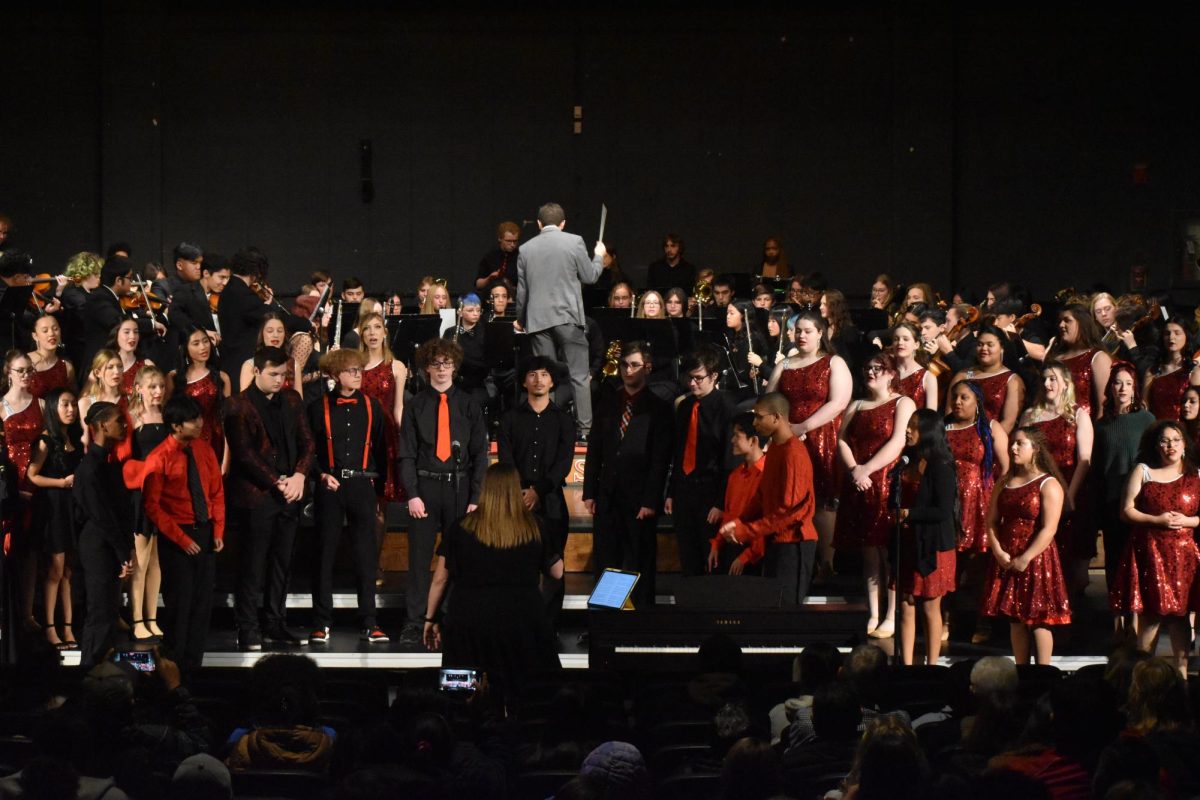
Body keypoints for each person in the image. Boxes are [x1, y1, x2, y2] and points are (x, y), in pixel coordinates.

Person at [422, 463, 563, 699]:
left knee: (462, 693)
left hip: (468, 624)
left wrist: (430, 619)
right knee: (528, 692)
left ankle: (466, 726)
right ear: (515, 489)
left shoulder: (461, 527)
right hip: (523, 622)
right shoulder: (535, 526)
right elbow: (557, 572)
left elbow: (440, 579)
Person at [223, 346, 315, 652]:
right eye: (273, 374)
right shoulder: (238, 404)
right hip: (257, 495)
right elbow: (244, 455)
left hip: (290, 493)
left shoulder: (292, 399)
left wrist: (300, 476)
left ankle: (275, 624)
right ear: (257, 372)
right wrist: (277, 482)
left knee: (282, 564)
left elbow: (307, 441)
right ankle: (247, 628)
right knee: (252, 564)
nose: (280, 380)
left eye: (284, 375)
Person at [398, 338, 489, 645]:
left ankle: (451, 618)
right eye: (435, 364)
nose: (441, 369)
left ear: (455, 366)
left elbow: (480, 456)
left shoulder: (468, 404)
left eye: (446, 363)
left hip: (459, 487)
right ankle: (415, 621)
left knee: (458, 559)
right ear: (426, 368)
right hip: (425, 486)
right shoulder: (415, 405)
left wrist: (475, 499)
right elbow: (407, 455)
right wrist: (412, 493)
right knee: (419, 557)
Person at [307, 348, 390, 644]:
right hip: (330, 486)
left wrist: (379, 494)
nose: (357, 374)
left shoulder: (373, 407)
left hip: (361, 485)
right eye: (351, 370)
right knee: (324, 554)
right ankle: (321, 621)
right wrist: (320, 475)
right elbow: (309, 450)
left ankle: (369, 621)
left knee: (365, 556)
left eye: (359, 369)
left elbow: (380, 451)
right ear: (335, 373)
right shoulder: (318, 407)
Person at [583, 341, 672, 609]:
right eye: (624, 365)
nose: (627, 370)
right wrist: (589, 491)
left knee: (639, 559)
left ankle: (641, 621)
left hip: (639, 499)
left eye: (634, 365)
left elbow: (660, 460)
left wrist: (650, 500)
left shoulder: (659, 408)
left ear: (647, 367)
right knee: (607, 559)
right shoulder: (608, 402)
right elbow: (595, 449)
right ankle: (608, 618)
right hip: (608, 495)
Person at [834, 352, 917, 637]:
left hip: (885, 480)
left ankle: (891, 615)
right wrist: (855, 469)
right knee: (869, 551)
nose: (871, 372)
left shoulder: (903, 403)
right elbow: (842, 440)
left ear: (892, 374)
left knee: (888, 551)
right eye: (868, 367)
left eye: (878, 368)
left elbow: (898, 441)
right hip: (860, 480)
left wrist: (866, 469)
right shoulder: (857, 404)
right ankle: (874, 613)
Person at [141, 396, 225, 675]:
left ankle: (195, 668)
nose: (201, 423)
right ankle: (175, 672)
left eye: (200, 417)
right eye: (194, 420)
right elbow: (153, 507)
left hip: (205, 531)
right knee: (181, 605)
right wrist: (181, 539)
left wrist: (218, 530)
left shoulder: (205, 449)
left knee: (202, 606)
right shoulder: (159, 457)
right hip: (178, 537)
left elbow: (216, 492)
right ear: (176, 426)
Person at [1109, 421, 1200, 676]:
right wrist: (1156, 520)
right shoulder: (1143, 471)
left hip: (1183, 555)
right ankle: (1143, 677)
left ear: (1184, 445)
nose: (1170, 445)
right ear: (1156, 444)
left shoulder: (1196, 474)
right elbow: (1126, 511)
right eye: (1164, 440)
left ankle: (1182, 678)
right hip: (1150, 552)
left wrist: (1189, 521)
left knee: (1181, 616)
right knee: (1151, 615)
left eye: (1175, 440)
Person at [768, 310, 852, 575]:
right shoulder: (785, 365)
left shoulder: (833, 362)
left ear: (820, 334)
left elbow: (838, 402)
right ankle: (797, 563)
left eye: (807, 331)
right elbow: (769, 401)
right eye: (798, 331)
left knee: (824, 498)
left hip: (821, 436)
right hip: (788, 439)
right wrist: (784, 430)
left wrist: (802, 427)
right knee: (791, 498)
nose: (801, 336)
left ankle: (826, 565)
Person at [497, 356, 576, 630]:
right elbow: (506, 460)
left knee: (555, 566)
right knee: (517, 565)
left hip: (551, 500)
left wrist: (538, 492)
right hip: (515, 501)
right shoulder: (509, 418)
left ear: (552, 381)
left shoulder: (564, 420)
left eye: (544, 374)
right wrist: (521, 492)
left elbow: (563, 464)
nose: (538, 379)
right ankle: (519, 623)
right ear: (524, 381)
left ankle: (548, 626)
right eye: (532, 374)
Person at [515, 202, 606, 438]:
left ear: (539, 224)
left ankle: (546, 428)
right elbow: (590, 276)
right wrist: (598, 256)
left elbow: (522, 291)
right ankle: (585, 430)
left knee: (543, 376)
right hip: (567, 317)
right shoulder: (574, 241)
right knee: (579, 376)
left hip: (538, 320)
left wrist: (521, 319)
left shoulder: (525, 249)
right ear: (563, 224)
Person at [717, 392, 819, 603]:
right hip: (776, 541)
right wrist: (740, 520)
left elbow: (788, 512)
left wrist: (746, 531)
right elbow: (763, 495)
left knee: (787, 608)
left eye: (759, 417)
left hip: (794, 543)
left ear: (776, 418)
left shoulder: (793, 453)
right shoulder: (774, 449)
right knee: (773, 606)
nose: (755, 422)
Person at [981, 426, 1070, 665]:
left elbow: (1049, 529)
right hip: (1008, 556)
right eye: (1012, 443)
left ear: (1035, 449)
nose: (1013, 448)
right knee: (1015, 619)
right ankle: (1021, 671)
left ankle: (1042, 674)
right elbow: (991, 521)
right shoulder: (1005, 481)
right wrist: (998, 550)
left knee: (1038, 620)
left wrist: (1026, 557)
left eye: (1020, 443)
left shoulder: (1048, 484)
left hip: (1036, 558)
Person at [1020, 360, 1094, 596]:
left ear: (1065, 384)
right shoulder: (1031, 416)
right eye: (1044, 379)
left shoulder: (1078, 414)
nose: (1047, 383)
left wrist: (1069, 496)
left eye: (1052, 378)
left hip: (1072, 488)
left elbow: (1085, 459)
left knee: (1070, 561)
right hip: (1037, 489)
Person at [944, 380, 1008, 644]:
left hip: (980, 503)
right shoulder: (942, 427)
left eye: (964, 397)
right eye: (955, 397)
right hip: (949, 504)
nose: (957, 402)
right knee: (948, 565)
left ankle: (983, 622)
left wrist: (998, 503)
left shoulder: (989, 428)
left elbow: (1005, 468)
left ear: (977, 402)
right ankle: (947, 620)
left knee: (979, 566)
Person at [894, 409, 958, 665]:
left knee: (931, 606)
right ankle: (907, 666)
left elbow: (943, 511)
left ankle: (932, 665)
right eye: (908, 425)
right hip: (910, 540)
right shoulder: (908, 460)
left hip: (934, 544)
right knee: (907, 602)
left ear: (928, 431)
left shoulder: (941, 466)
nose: (908, 430)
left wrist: (910, 514)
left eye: (914, 426)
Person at [667, 344, 738, 577]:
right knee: (688, 556)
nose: (692, 383)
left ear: (714, 376)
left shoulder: (727, 407)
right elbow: (679, 452)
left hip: (711, 492)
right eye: (689, 378)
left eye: (698, 378)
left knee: (711, 558)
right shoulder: (685, 406)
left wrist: (720, 502)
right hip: (685, 490)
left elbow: (729, 459)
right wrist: (671, 492)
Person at [74, 401, 135, 668]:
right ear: (101, 425)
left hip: (109, 543)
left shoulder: (108, 464)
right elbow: (100, 515)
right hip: (97, 544)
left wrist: (126, 548)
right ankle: (89, 676)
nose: (124, 425)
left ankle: (105, 675)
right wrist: (122, 550)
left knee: (110, 612)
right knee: (100, 613)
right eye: (118, 420)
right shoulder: (89, 468)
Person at [1094, 362, 1156, 621]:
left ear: (1135, 389)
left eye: (1128, 383)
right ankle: (1117, 616)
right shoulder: (1102, 424)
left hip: (1138, 500)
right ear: (1110, 386)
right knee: (1114, 557)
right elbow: (1097, 465)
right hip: (1110, 498)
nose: (1123, 388)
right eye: (1118, 382)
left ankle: (1138, 615)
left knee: (1137, 557)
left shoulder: (1146, 420)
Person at [26, 386, 83, 650]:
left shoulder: (73, 438)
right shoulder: (46, 439)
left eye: (73, 405)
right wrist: (61, 483)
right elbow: (32, 475)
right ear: (52, 407)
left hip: (71, 509)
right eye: (65, 405)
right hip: (53, 508)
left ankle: (68, 627)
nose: (71, 410)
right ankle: (50, 628)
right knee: (55, 570)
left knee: (68, 572)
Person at [357, 310, 408, 584]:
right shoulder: (354, 364)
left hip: (385, 439)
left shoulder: (396, 367)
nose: (373, 333)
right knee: (361, 508)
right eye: (368, 328)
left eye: (378, 327)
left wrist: (406, 444)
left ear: (385, 332)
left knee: (379, 510)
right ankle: (362, 564)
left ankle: (373, 566)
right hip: (358, 440)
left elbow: (398, 408)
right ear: (362, 334)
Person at [126, 365, 170, 642]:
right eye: (152, 387)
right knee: (140, 559)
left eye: (161, 387)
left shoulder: (166, 416)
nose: (157, 392)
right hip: (140, 492)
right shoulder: (132, 417)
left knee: (155, 561)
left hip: (162, 491)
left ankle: (152, 616)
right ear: (139, 388)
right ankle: (136, 619)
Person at [2, 350, 44, 632]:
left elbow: (45, 445)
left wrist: (33, 479)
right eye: (20, 370)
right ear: (9, 373)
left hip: (34, 480)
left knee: (30, 550)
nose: (26, 375)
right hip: (7, 484)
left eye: (29, 370)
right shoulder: (0, 406)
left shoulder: (40, 403)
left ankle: (27, 614)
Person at [81, 255, 162, 377]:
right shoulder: (98, 298)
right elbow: (119, 322)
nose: (132, 282)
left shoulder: (112, 297)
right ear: (118, 280)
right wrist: (151, 324)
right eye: (130, 278)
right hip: (99, 368)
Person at [707, 412, 767, 575]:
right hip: (732, 548)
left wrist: (747, 556)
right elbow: (729, 515)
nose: (732, 440)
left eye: (737, 435)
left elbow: (766, 522)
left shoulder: (767, 475)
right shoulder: (734, 475)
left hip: (755, 555)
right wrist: (717, 544)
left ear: (753, 440)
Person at [167, 328, 231, 470]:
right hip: (186, 444)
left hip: (216, 443)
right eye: (196, 343)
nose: (203, 347)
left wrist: (227, 457)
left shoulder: (222, 377)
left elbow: (227, 421)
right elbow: (169, 419)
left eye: (205, 341)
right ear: (185, 348)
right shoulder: (174, 378)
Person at [946, 324, 1024, 434]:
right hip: (957, 438)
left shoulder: (1012, 380)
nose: (984, 349)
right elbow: (949, 416)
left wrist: (983, 443)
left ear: (1002, 348)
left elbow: (1008, 422)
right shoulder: (962, 376)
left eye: (990, 345)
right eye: (980, 344)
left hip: (992, 442)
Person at [1045, 303, 1112, 419]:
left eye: (1067, 320)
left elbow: (1104, 406)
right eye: (1060, 321)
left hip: (1086, 430)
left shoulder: (1098, 358)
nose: (1061, 325)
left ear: (1082, 324)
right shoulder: (1055, 360)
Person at [1142, 318, 1200, 420]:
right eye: (1167, 333)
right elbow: (1144, 407)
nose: (1171, 337)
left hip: (1183, 431)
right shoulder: (1152, 372)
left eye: (1177, 333)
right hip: (1157, 430)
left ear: (1186, 336)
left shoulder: (1193, 371)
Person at [77, 350, 123, 448]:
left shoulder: (128, 399)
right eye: (110, 367)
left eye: (119, 366)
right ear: (97, 373)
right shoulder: (87, 402)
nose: (116, 371)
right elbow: (86, 440)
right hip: (99, 458)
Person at [26, 314, 75, 400]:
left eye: (55, 329)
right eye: (45, 331)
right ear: (35, 336)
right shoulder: (25, 362)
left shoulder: (67, 367)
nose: (51, 333)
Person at [893, 322, 939, 410]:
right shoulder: (885, 371)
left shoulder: (928, 377)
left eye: (906, 339)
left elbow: (931, 416)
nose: (900, 342)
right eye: (896, 339)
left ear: (916, 345)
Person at [109, 317, 153, 396]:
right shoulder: (104, 364)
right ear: (116, 334)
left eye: (136, 332)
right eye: (126, 332)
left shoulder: (147, 365)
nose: (133, 336)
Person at [475, 220, 520, 290]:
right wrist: (489, 278)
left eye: (515, 241)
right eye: (508, 241)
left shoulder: (521, 257)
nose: (512, 245)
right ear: (500, 238)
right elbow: (478, 284)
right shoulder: (490, 257)